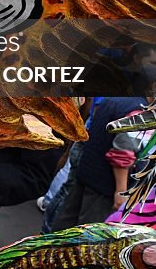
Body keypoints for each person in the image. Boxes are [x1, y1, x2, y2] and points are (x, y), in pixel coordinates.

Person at [51, 96, 145, 230]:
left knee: (64, 223)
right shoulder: (138, 111)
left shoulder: (113, 99)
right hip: (104, 187)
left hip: (86, 172)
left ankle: (45, 248)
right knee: (85, 235)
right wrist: (121, 191)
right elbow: (122, 154)